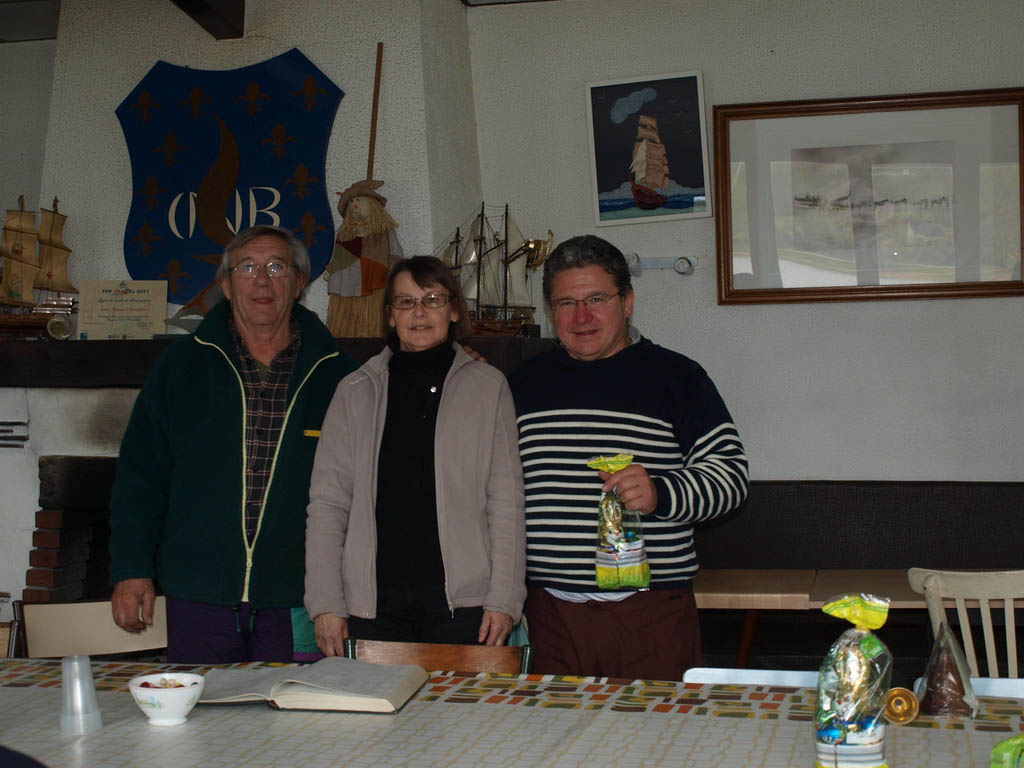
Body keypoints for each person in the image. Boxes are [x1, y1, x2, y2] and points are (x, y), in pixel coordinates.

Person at [108, 225, 357, 663]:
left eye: (276, 267)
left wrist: (459, 359)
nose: (262, 280)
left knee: (295, 707)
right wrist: (131, 569)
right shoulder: (181, 366)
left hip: (299, 597)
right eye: (247, 267)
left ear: (299, 283)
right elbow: (140, 478)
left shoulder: (340, 373)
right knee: (200, 705)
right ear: (225, 284)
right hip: (199, 594)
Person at [509, 235, 749, 680]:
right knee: (551, 729)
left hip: (651, 615)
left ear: (628, 302)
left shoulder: (678, 377)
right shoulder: (521, 385)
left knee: (657, 727)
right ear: (550, 310)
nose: (582, 316)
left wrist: (662, 492)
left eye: (597, 299)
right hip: (548, 619)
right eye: (566, 303)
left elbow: (731, 478)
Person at [305, 256, 526, 655]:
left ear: (454, 310)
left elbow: (506, 502)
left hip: (465, 608)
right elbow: (327, 503)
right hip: (371, 606)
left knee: (461, 700)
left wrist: (504, 599)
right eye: (406, 302)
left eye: (433, 299)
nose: (419, 312)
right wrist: (325, 603)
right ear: (390, 315)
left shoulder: (489, 387)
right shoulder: (354, 391)